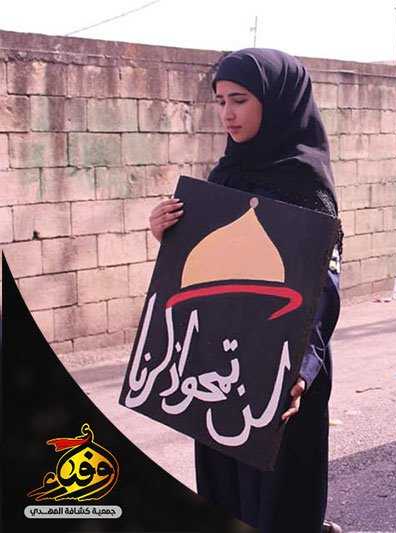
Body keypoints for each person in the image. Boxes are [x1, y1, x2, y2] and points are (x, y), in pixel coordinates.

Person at [149, 49, 342, 533]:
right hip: (216, 368)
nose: (227, 114)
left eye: (239, 100)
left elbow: (323, 286)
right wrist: (167, 234)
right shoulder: (224, 176)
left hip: (280, 367)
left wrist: (300, 370)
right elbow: (199, 271)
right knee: (225, 492)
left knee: (279, 503)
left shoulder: (304, 182)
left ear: (276, 103)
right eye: (220, 101)